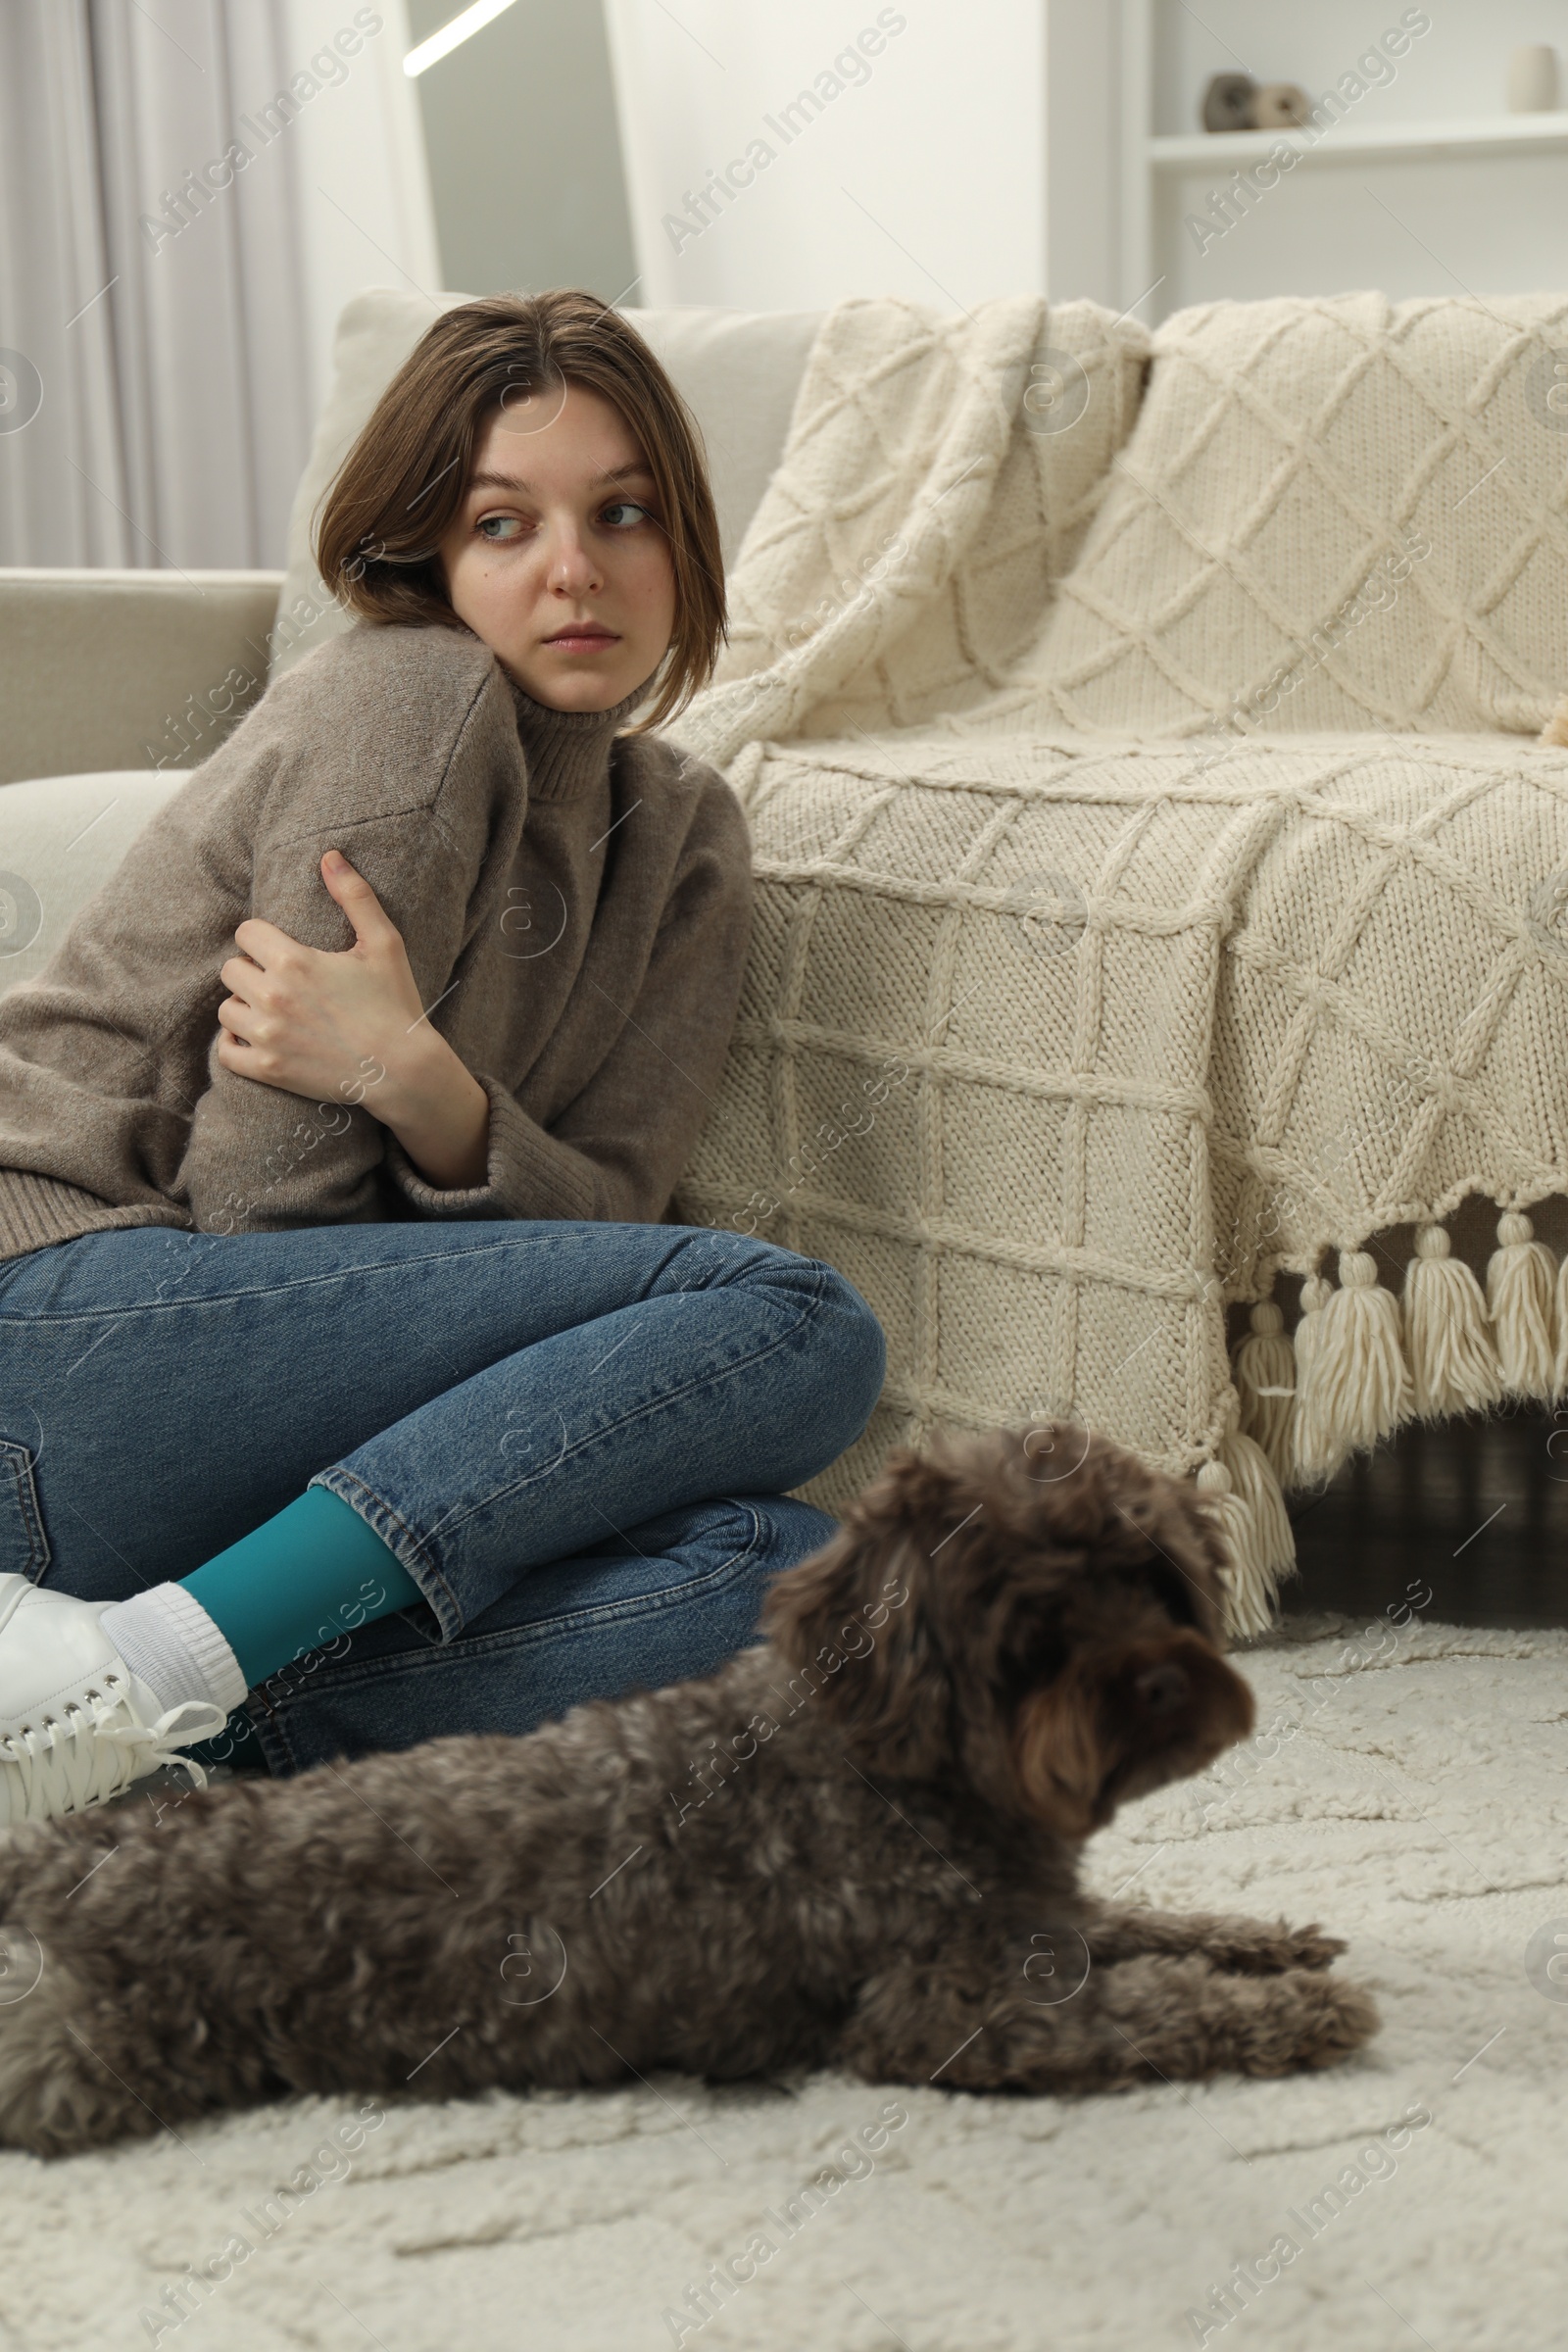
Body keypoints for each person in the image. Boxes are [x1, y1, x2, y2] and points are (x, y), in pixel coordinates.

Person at [0, 290, 885, 1825]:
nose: (575, 570)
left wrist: (420, 1087)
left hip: (214, 1441)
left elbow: (609, 1213)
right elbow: (258, 1211)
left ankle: (121, 1728)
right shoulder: (409, 693)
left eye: (624, 512)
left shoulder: (680, 839)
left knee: (788, 1573)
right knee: (793, 1319)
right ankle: (153, 1668)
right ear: (424, 558)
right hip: (68, 1327)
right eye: (501, 525)